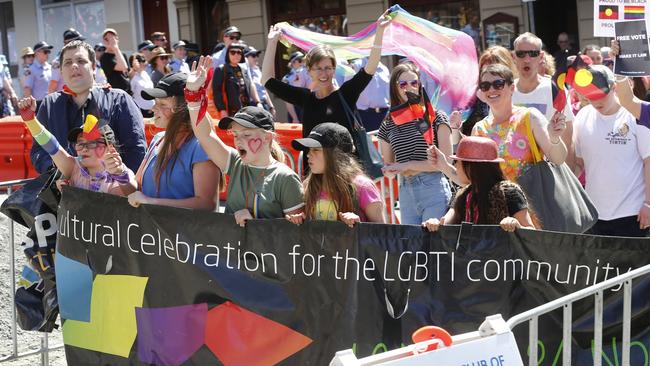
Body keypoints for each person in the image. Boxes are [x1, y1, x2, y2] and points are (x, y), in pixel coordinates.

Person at [189, 56, 305, 226]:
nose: (239, 141)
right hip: (232, 251)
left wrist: (255, 225)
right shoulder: (236, 164)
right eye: (235, 135)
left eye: (247, 134)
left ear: (267, 137)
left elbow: (298, 235)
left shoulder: (285, 178)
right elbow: (204, 135)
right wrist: (193, 95)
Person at [262, 10, 392, 139]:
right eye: (318, 68)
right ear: (309, 71)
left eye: (328, 68)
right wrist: (272, 42)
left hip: (345, 160)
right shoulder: (306, 99)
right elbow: (267, 80)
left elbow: (370, 68)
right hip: (311, 160)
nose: (324, 73)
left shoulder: (346, 93)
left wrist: (379, 31)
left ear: (334, 70)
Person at [30, 40, 146, 174]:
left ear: (93, 67)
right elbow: (38, 151)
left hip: (111, 191)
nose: (74, 66)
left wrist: (117, 182)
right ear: (61, 71)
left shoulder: (119, 100)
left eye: (81, 61)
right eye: (67, 62)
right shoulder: (49, 105)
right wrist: (61, 172)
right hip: (62, 190)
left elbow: (136, 150)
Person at [571, 65, 650, 237]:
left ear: (614, 87)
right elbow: (578, 164)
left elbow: (648, 161)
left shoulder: (633, 115)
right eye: (591, 96)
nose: (596, 101)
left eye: (601, 95)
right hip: (594, 214)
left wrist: (648, 204)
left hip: (633, 213)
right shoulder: (583, 116)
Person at [127, 72, 219, 210]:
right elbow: (137, 186)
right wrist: (119, 173)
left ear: (183, 109)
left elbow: (206, 204)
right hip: (151, 230)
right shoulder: (158, 140)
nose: (153, 109)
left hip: (184, 231)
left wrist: (151, 202)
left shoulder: (200, 146)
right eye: (155, 103)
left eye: (162, 104)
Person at [378, 62, 454, 224]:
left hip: (433, 188)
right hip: (405, 191)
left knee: (433, 246)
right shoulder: (388, 124)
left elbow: (446, 162)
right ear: (394, 88)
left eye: (414, 83)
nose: (409, 87)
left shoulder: (435, 117)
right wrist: (389, 170)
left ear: (420, 85)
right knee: (412, 248)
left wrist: (406, 165)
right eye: (403, 84)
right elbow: (390, 166)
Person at [17, 97, 136, 195]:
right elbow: (52, 146)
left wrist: (120, 175)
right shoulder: (74, 167)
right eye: (80, 144)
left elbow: (133, 193)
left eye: (91, 143)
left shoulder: (121, 171)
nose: (84, 148)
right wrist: (31, 121)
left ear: (109, 147)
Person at [470, 64, 567, 183]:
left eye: (498, 84)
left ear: (512, 88)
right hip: (494, 200)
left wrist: (554, 138)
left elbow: (558, 159)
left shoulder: (529, 117)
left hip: (530, 198)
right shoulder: (479, 129)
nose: (491, 89)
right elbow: (472, 178)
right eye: (485, 86)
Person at [423, 136, 538, 232]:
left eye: (458, 162)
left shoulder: (509, 192)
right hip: (470, 258)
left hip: (500, 258)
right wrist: (434, 224)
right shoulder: (462, 194)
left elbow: (533, 233)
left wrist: (517, 226)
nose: (456, 166)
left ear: (471, 167)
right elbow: (445, 223)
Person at [288, 123, 386, 226]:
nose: (308, 154)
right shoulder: (308, 185)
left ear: (336, 155)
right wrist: (300, 220)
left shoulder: (363, 186)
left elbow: (382, 233)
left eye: (316, 149)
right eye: (309, 150)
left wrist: (359, 224)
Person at [511, 32, 575, 169]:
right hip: (514, 172)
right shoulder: (506, 91)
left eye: (532, 53)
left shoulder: (555, 89)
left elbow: (567, 137)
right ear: (513, 57)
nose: (527, 59)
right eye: (521, 54)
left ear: (541, 57)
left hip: (549, 171)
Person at [463, 45, 517, 136]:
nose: (490, 76)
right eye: (485, 71)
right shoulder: (474, 98)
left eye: (496, 71)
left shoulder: (521, 91)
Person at [212, 42, 262, 118]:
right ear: (227, 54)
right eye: (233, 52)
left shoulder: (243, 69)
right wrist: (222, 110)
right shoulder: (221, 69)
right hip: (230, 113)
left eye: (239, 52)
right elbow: (216, 92)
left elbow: (250, 86)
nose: (236, 55)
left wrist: (258, 102)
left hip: (246, 112)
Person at [351, 57, 390, 131]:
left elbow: (388, 94)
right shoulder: (357, 65)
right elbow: (349, 90)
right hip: (365, 116)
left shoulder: (384, 68)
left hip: (384, 114)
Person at [50, 28, 85, 93]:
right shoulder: (58, 61)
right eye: (79, 42)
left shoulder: (81, 57)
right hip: (65, 98)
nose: (82, 44)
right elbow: (53, 85)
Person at [245, 46, 276, 115]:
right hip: (253, 105)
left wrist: (271, 106)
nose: (256, 58)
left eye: (257, 55)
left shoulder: (257, 70)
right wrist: (257, 103)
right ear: (245, 58)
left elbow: (264, 89)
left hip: (264, 104)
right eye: (253, 55)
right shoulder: (244, 72)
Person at [24, 41, 54, 110]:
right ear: (37, 53)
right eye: (45, 52)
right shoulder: (31, 69)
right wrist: (30, 107)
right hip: (39, 104)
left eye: (48, 51)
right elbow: (27, 89)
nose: (48, 54)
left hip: (51, 102)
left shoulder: (50, 67)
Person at [100, 28, 131, 94]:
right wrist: (115, 48)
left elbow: (127, 72)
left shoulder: (122, 55)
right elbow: (123, 67)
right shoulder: (104, 58)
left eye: (113, 38)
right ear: (104, 42)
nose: (111, 41)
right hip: (116, 93)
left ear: (117, 39)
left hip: (128, 92)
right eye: (107, 39)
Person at [281, 51, 308, 123]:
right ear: (293, 63)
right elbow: (288, 101)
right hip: (296, 110)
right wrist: (294, 117)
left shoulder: (308, 73)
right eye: (300, 60)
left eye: (303, 60)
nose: (302, 62)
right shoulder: (287, 79)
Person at [128, 53, 155, 118]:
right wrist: (134, 68)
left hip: (152, 109)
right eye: (142, 61)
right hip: (140, 110)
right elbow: (129, 90)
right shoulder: (132, 76)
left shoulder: (145, 73)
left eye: (144, 60)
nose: (145, 63)